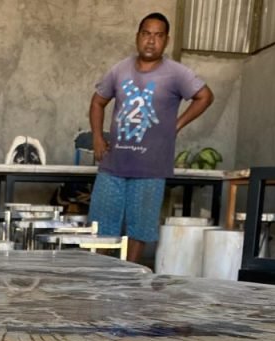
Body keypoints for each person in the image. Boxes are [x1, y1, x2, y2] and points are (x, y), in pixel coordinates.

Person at [88, 12, 214, 266]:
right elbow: (97, 102)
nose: (151, 40)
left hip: (151, 167)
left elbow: (205, 96)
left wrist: (176, 125)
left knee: (140, 229)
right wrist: (98, 138)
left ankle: (132, 277)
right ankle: (99, 277)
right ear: (138, 37)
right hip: (113, 165)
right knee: (102, 227)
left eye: (158, 35)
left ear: (166, 40)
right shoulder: (119, 69)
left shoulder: (177, 73)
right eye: (146, 34)